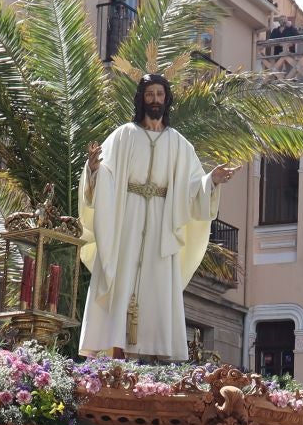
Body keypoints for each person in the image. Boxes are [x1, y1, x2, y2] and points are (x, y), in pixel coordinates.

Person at [76, 74, 236, 359]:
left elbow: (192, 187)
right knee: (120, 277)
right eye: (150, 95)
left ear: (167, 99)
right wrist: (93, 170)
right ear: (142, 99)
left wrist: (212, 181)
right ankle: (114, 351)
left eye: (160, 95)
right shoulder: (124, 135)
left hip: (163, 225)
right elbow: (105, 176)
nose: (155, 100)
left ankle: (154, 357)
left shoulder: (178, 143)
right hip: (127, 220)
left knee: (158, 286)